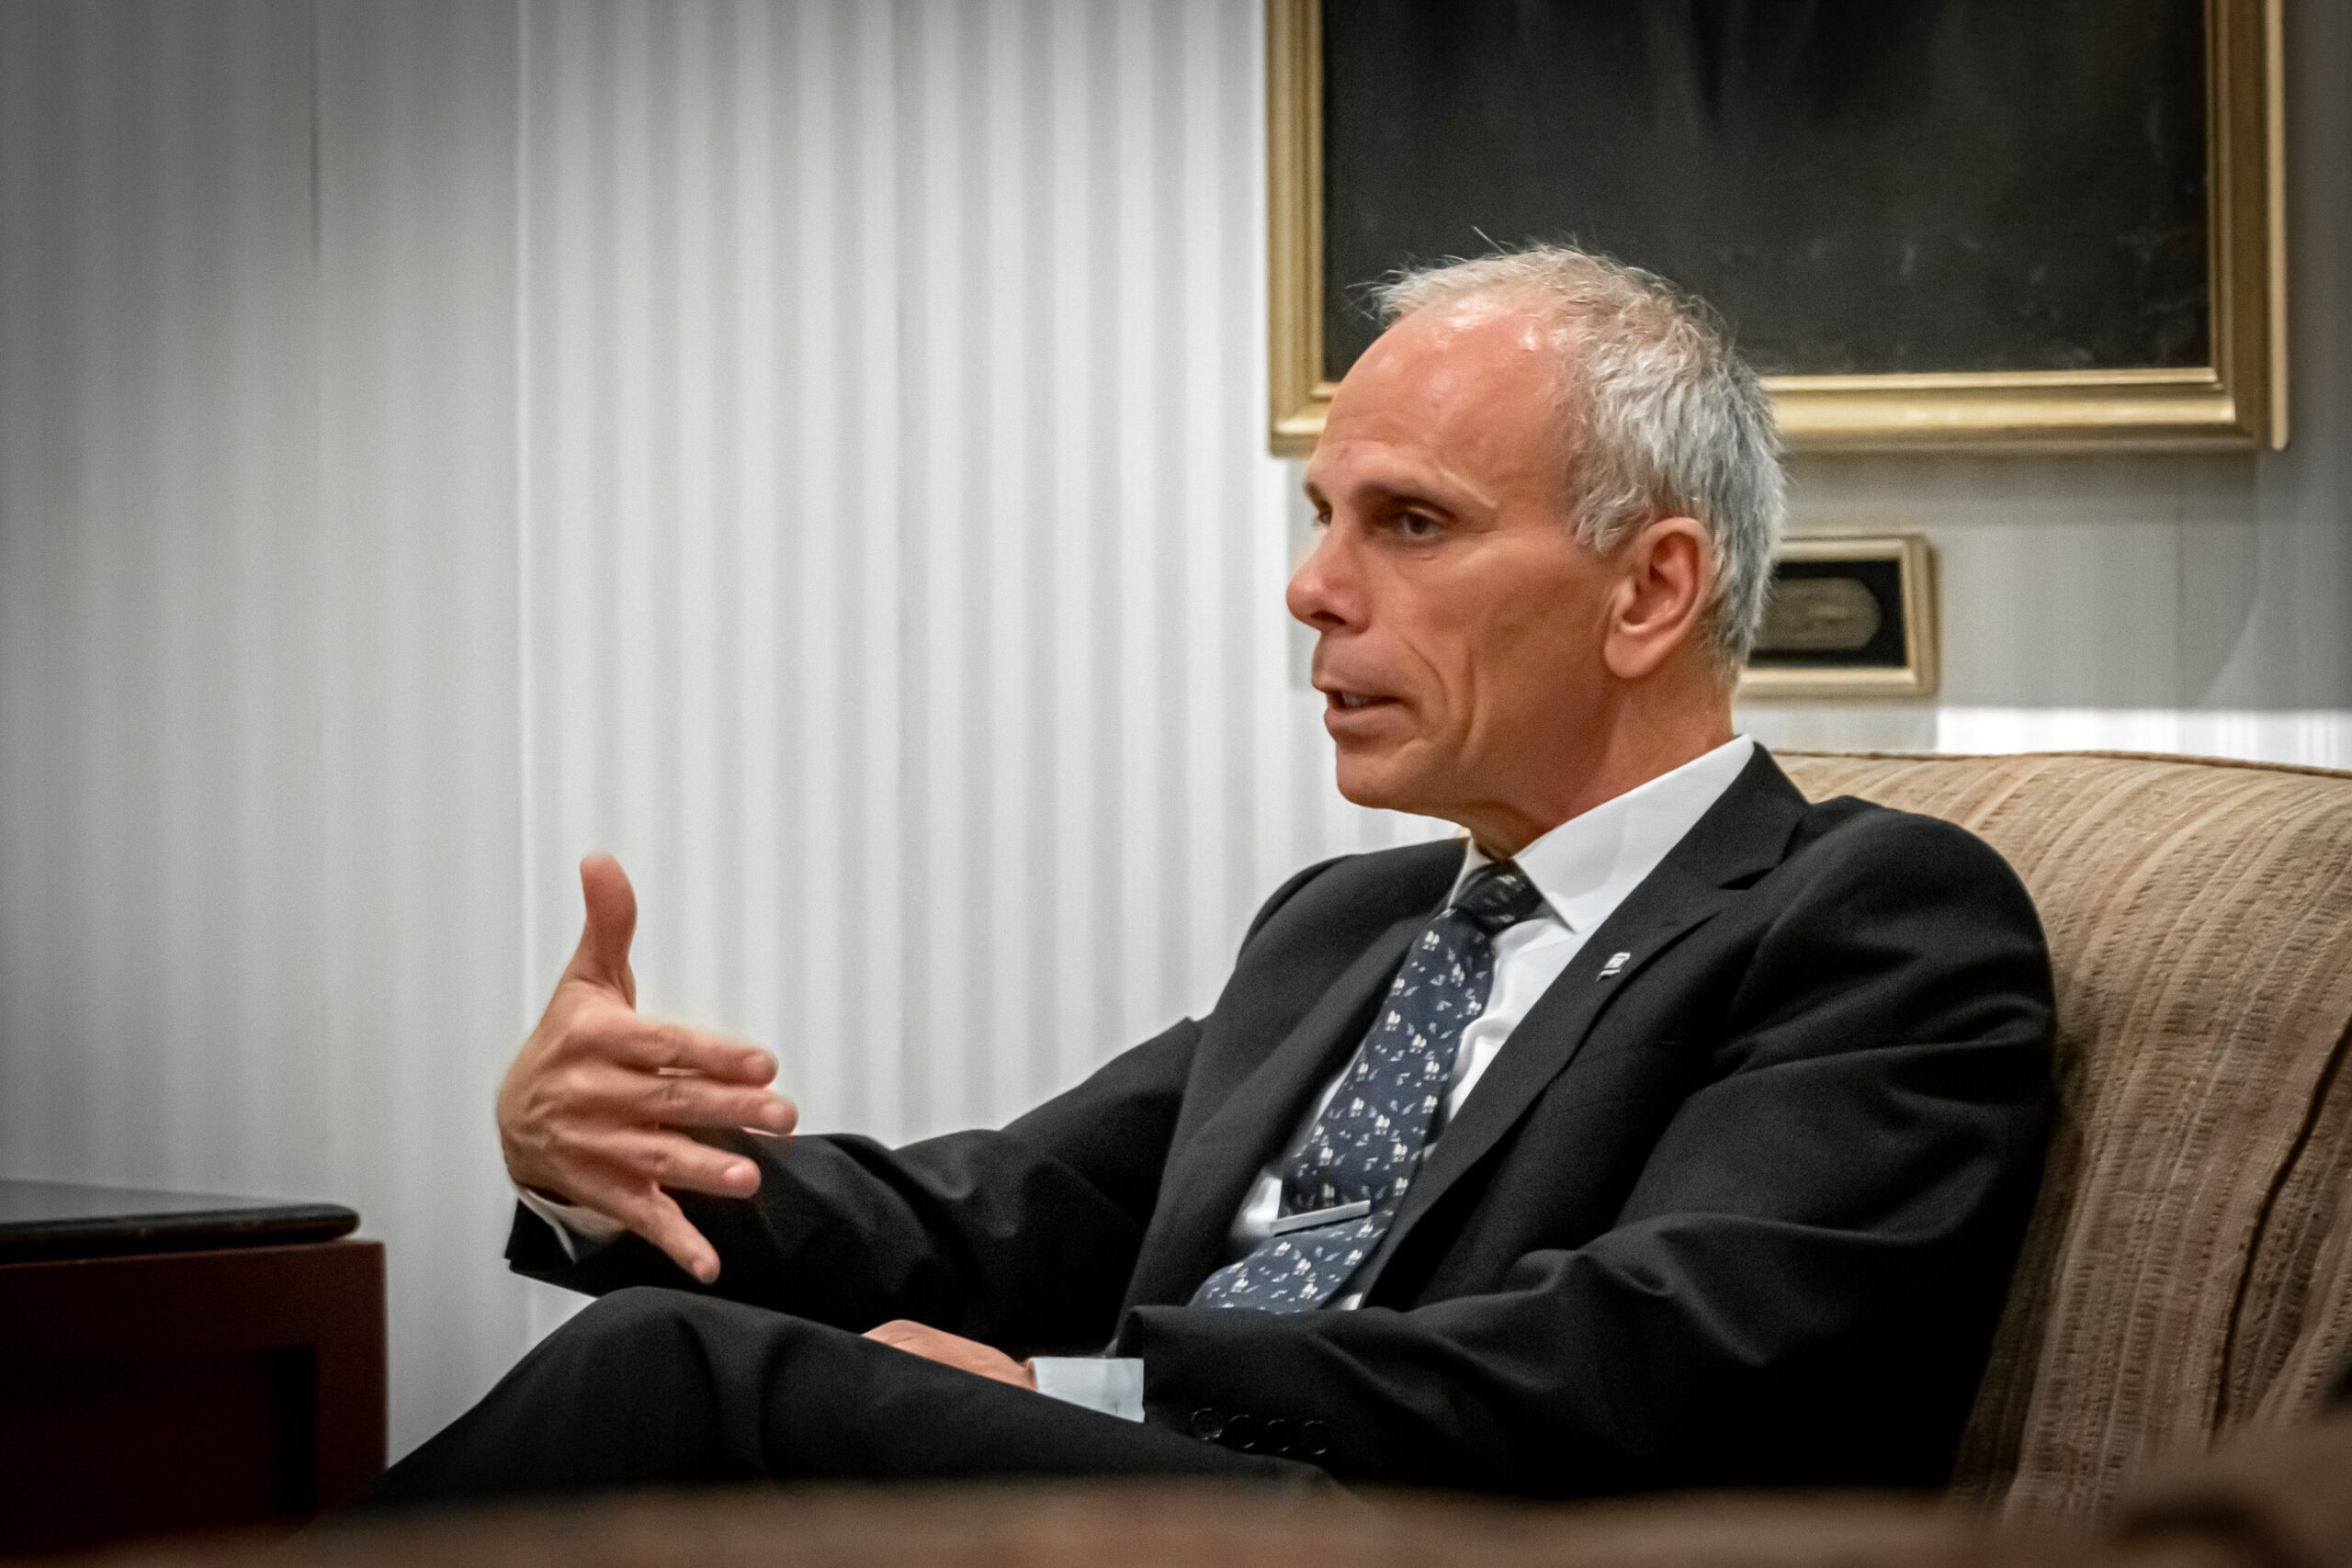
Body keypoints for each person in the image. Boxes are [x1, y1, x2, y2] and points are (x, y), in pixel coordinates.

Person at [369, 246, 2053, 1506]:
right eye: (1323, 516)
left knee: (681, 1379)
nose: (1313, 588)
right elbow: (999, 1221)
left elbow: (1655, 1356)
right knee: (695, 1384)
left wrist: (1097, 1393)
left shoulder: (1868, 917)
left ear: (1650, 591)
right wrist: (616, 1167)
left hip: (1438, 1540)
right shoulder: (1352, 927)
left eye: (1409, 524)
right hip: (1161, 1507)